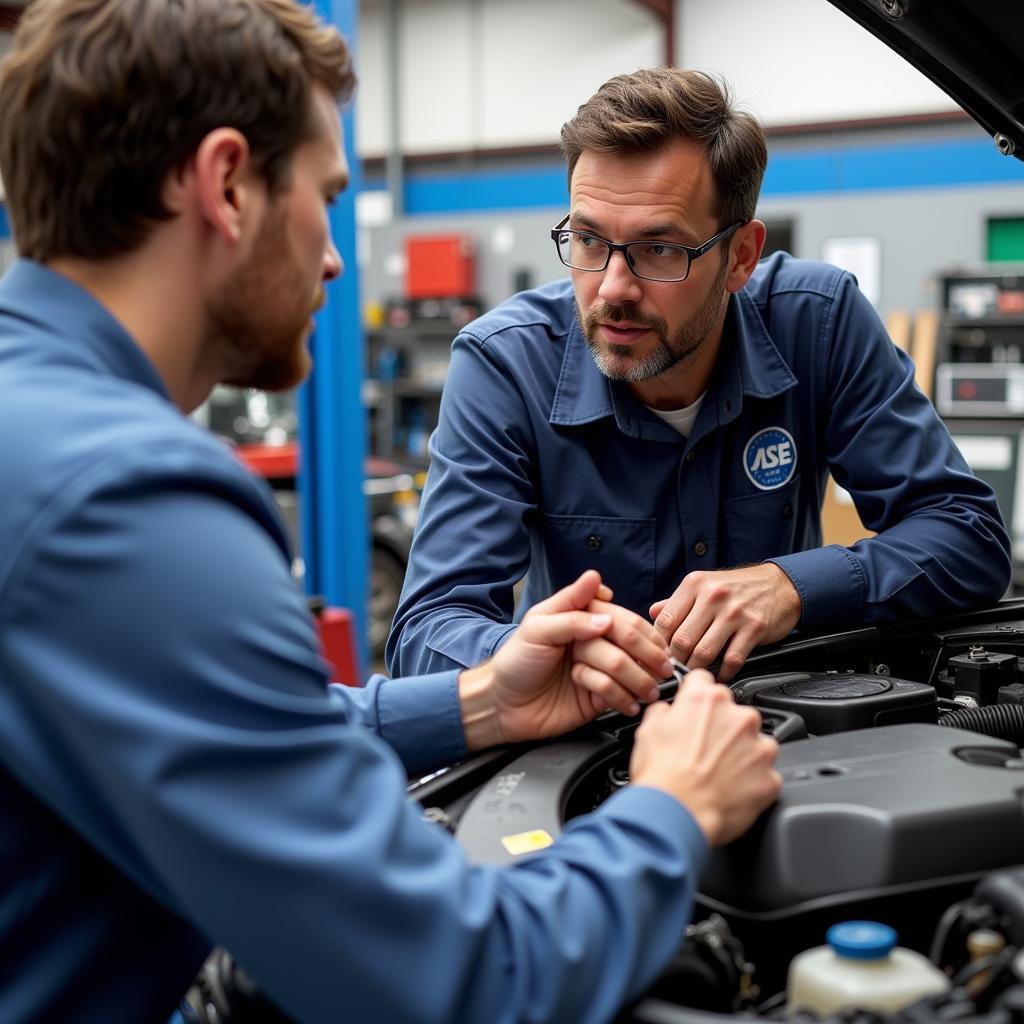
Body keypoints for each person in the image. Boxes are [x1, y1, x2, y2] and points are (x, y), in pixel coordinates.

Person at [0, 2, 781, 1022]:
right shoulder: (131, 499)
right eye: (325, 196)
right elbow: (461, 982)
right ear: (226, 184)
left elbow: (242, 729)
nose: (333, 258)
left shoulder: (32, 422)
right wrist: (669, 809)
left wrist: (480, 703)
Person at [387, 67, 1012, 684]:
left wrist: (793, 586)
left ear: (740, 257)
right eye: (587, 239)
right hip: (588, 745)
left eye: (660, 249)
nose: (613, 288)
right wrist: (572, 662)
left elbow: (967, 535)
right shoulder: (506, 365)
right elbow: (429, 630)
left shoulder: (817, 324)